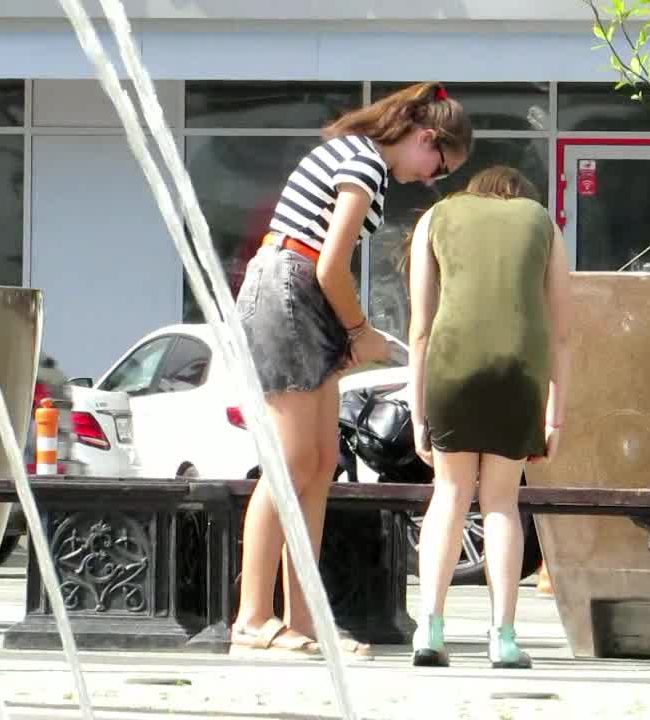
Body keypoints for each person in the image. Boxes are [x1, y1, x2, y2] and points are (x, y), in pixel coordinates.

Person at [230, 82, 472, 657]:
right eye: (440, 165)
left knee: (318, 464)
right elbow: (332, 265)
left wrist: (351, 329)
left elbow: (326, 267)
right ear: (426, 137)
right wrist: (361, 332)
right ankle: (253, 617)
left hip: (296, 290)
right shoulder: (364, 162)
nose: (432, 178)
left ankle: (304, 619)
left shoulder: (359, 157)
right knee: (293, 463)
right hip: (290, 286)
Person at [406, 166, 572, 669]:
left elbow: (420, 329)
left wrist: (418, 414)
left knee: (449, 494)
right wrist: (556, 417)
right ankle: (503, 638)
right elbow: (561, 333)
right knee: (501, 501)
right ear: (520, 196)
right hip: (518, 375)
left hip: (451, 370)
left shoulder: (436, 217)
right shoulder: (542, 222)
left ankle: (430, 630)